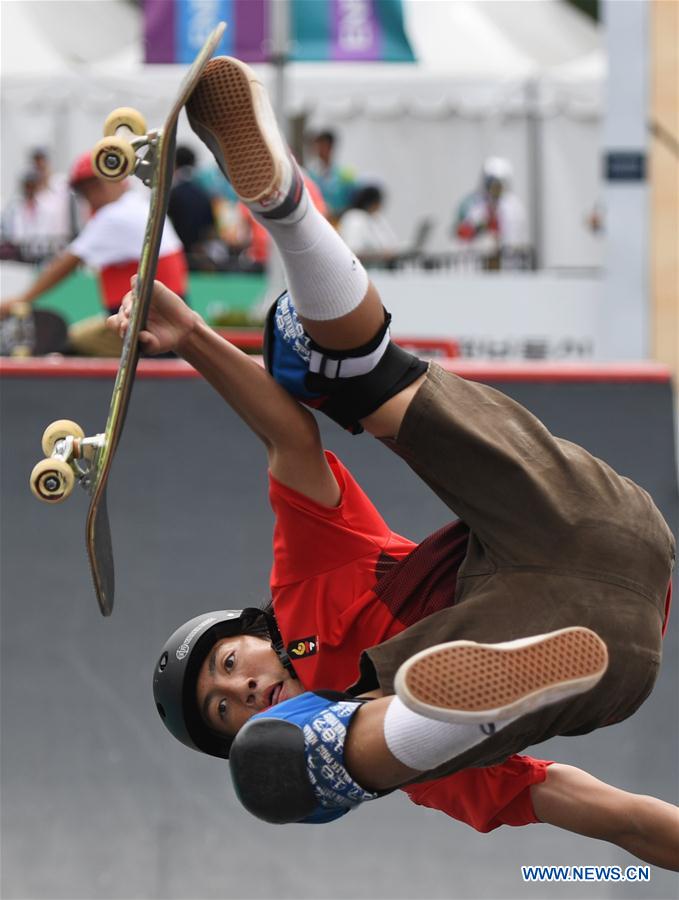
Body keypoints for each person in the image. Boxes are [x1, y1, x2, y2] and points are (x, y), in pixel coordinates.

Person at [112, 56, 677, 868]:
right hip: (606, 648)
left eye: (230, 665)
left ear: (256, 633)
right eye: (226, 708)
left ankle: (284, 204)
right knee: (282, 765)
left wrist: (193, 335)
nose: (241, 689)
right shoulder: (369, 750)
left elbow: (290, 437)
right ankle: (439, 708)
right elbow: (619, 819)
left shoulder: (306, 591)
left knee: (308, 360)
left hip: (560, 522)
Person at [0, 151, 188, 356]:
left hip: (148, 328)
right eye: (84, 190)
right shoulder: (137, 204)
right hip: (152, 322)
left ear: (116, 178)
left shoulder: (114, 215)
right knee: (75, 337)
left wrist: (21, 300)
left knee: (67, 346)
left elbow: (66, 264)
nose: (90, 195)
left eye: (95, 185)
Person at [454, 157, 528, 267]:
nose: (495, 189)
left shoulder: (514, 207)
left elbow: (516, 237)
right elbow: (462, 233)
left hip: (508, 264)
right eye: (491, 183)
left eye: (499, 185)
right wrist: (481, 226)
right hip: (479, 263)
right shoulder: (476, 205)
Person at [338, 184, 400, 267]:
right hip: (363, 268)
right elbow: (354, 252)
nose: (379, 207)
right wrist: (380, 255)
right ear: (371, 202)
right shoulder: (354, 218)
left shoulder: (375, 218)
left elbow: (392, 244)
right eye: (378, 203)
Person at [306, 129, 357, 223]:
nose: (319, 149)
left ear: (331, 147)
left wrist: (336, 214)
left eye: (323, 145)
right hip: (318, 222)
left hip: (339, 224)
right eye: (318, 146)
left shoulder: (344, 175)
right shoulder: (311, 175)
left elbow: (352, 202)